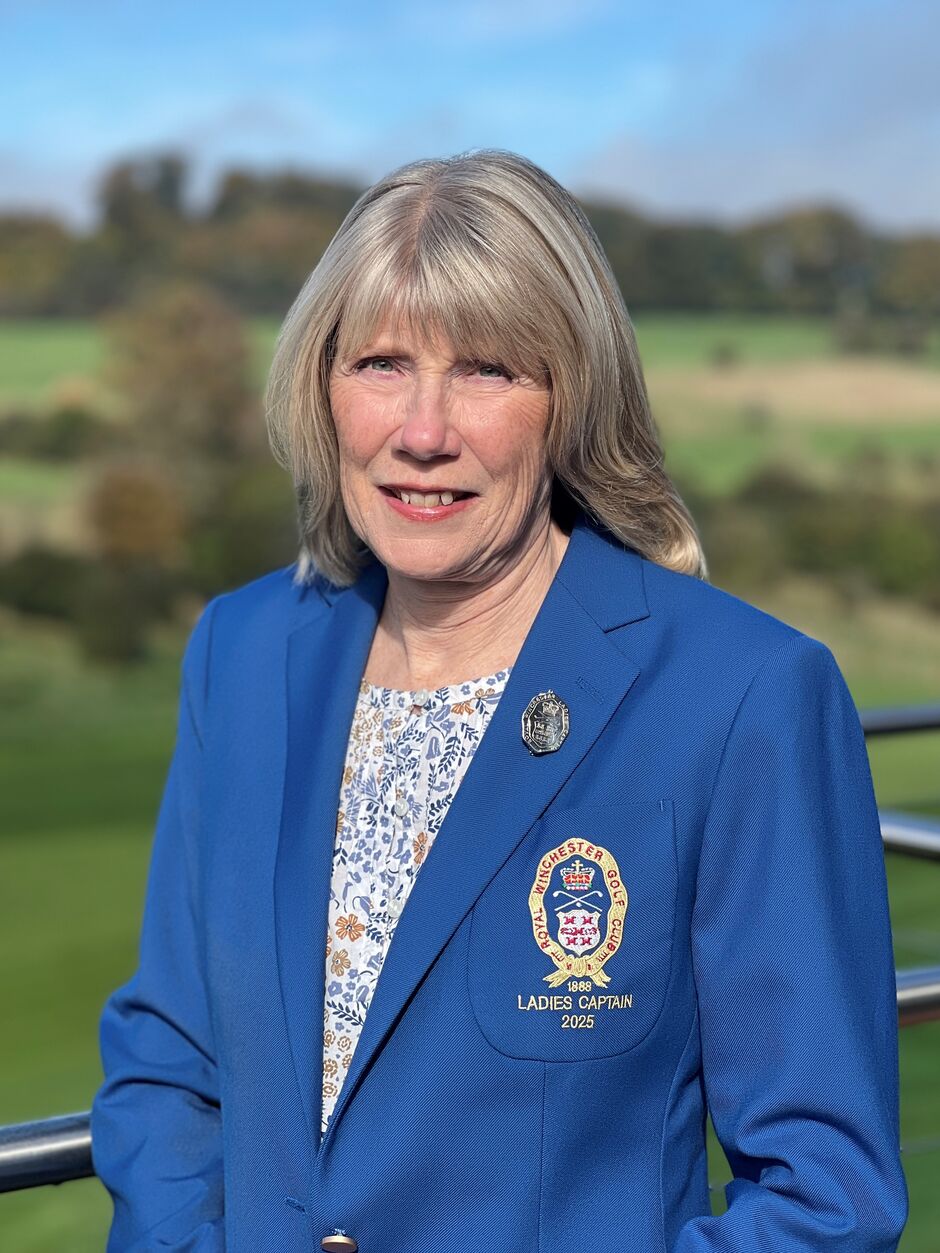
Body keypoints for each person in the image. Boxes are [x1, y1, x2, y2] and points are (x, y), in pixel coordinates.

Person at [91, 149, 908, 1252]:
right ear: (322, 386)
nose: (422, 430)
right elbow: (168, 1057)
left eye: (487, 370)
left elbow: (826, 1198)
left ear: (572, 398)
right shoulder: (240, 653)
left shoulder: (742, 694)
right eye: (381, 362)